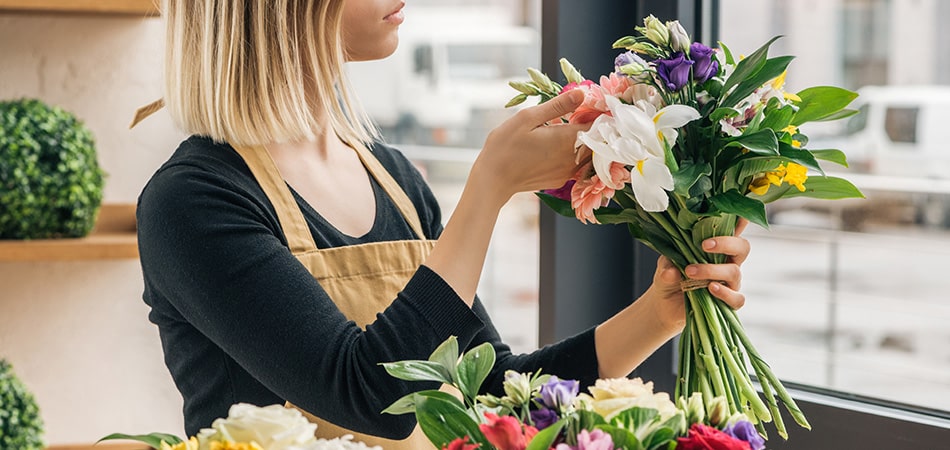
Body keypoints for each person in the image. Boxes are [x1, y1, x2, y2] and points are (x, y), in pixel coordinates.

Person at [136, 1, 750, 448]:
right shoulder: (193, 201)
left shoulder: (394, 180)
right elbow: (373, 399)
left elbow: (490, 393)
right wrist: (489, 188)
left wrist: (661, 311)